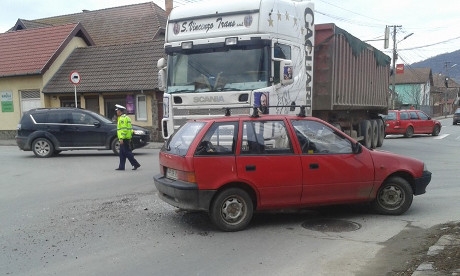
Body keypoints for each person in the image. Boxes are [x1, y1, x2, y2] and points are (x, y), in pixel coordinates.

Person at [115, 104, 141, 171]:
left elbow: (124, 129)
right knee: (122, 153)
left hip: (124, 138)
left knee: (127, 152)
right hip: (127, 137)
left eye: (117, 110)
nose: (116, 112)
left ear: (120, 111)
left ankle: (135, 164)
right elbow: (129, 128)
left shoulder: (122, 119)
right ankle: (121, 166)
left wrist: (121, 138)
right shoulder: (127, 118)